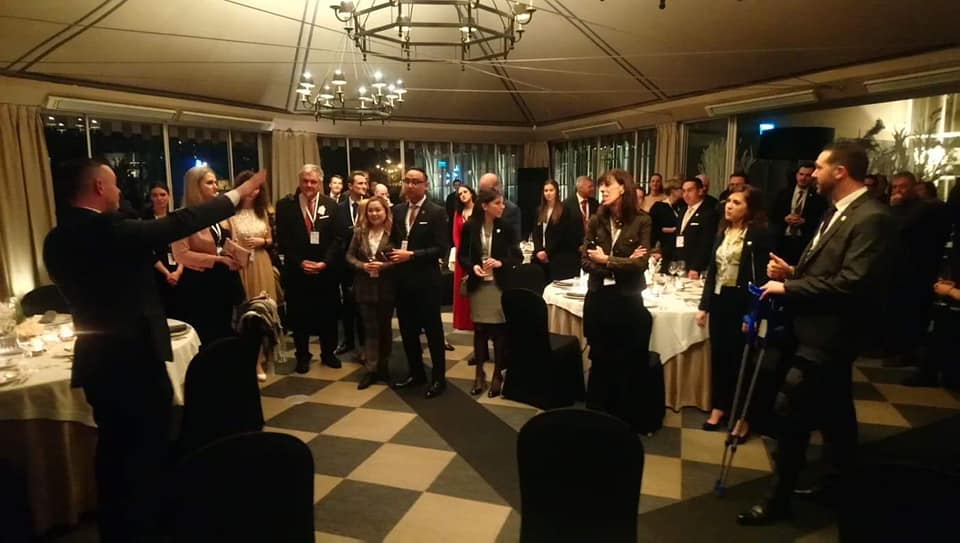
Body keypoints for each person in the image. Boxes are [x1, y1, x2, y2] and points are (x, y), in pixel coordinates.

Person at [44, 158, 266, 542]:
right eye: (114, 184)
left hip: (95, 359)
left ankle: (116, 526)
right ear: (98, 187)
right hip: (133, 360)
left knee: (113, 450)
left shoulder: (56, 239)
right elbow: (176, 224)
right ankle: (147, 527)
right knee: (146, 451)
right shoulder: (107, 229)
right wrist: (237, 194)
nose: (119, 191)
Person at [739, 142, 896, 526]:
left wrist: (789, 287)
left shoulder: (872, 217)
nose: (813, 174)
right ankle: (840, 483)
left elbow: (853, 282)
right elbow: (829, 270)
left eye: (821, 167)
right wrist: (793, 272)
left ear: (840, 172)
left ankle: (777, 500)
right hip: (811, 330)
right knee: (836, 414)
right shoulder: (835, 211)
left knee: (790, 413)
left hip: (831, 335)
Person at [696, 185, 771, 441]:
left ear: (750, 208)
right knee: (720, 356)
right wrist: (704, 306)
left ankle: (742, 416)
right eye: (728, 201)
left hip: (743, 302)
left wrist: (753, 313)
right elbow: (713, 271)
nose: (729, 206)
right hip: (720, 300)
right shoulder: (723, 231)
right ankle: (719, 406)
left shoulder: (758, 234)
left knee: (741, 360)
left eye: (737, 202)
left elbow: (760, 277)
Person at [581, 169, 653, 431]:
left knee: (625, 359)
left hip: (627, 301)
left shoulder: (642, 220)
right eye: (601, 186)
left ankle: (622, 419)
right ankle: (597, 416)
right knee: (599, 357)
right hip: (599, 296)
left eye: (607, 185)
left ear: (623, 188)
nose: (602, 190)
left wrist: (607, 260)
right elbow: (585, 258)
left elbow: (641, 264)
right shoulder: (596, 219)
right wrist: (617, 266)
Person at [390, 167, 451, 398]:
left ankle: (439, 378)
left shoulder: (437, 212)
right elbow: (392, 241)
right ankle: (416, 373)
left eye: (416, 181)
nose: (411, 185)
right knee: (407, 331)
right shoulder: (397, 210)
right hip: (402, 281)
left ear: (426, 185)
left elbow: (441, 248)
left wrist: (412, 255)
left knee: (433, 331)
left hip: (427, 281)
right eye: (407, 181)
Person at [275, 164, 342, 373]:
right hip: (298, 271)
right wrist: (300, 262)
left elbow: (338, 239)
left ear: (320, 182)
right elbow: (283, 240)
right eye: (305, 181)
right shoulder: (285, 206)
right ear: (299, 181)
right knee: (299, 316)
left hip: (325, 271)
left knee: (328, 315)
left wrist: (325, 263)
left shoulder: (331, 205)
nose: (309, 185)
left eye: (313, 181)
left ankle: (328, 353)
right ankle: (302, 356)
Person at [459, 187, 522, 397]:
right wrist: (473, 267)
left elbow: (517, 256)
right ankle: (479, 374)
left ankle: (497, 375)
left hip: (498, 285)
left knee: (499, 331)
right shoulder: (470, 226)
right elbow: (462, 256)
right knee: (479, 330)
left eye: (502, 202)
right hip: (479, 285)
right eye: (497, 203)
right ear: (485, 206)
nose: (502, 206)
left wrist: (500, 262)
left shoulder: (506, 227)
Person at [884, 171, 951, 367]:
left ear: (913, 187)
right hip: (897, 268)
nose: (898, 191)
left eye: (903, 187)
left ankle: (907, 352)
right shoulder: (905, 208)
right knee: (895, 311)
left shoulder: (924, 208)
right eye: (895, 187)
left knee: (910, 314)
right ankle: (892, 347)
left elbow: (899, 228)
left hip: (917, 270)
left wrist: (894, 208)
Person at [172, 166, 246, 344]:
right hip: (200, 283)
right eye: (210, 183)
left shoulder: (218, 213)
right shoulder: (183, 217)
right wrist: (218, 259)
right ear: (195, 187)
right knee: (207, 332)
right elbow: (181, 254)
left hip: (224, 279)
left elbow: (225, 242)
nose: (216, 187)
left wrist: (237, 253)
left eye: (216, 182)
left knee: (226, 331)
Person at [227, 170, 277, 381]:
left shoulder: (262, 212)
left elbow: (270, 239)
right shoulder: (230, 213)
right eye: (249, 187)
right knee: (243, 311)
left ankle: (260, 357)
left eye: (257, 188)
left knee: (261, 311)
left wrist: (261, 242)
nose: (252, 192)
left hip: (261, 262)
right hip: (241, 265)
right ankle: (245, 357)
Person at [345, 196, 398, 390]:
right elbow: (349, 256)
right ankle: (371, 369)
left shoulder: (394, 232)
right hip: (364, 287)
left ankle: (384, 367)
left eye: (378, 210)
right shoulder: (359, 233)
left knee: (385, 328)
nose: (374, 214)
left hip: (386, 287)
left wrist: (384, 266)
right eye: (370, 210)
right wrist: (363, 265)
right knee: (370, 329)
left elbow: (400, 259)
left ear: (385, 212)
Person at [335, 171, 369, 359]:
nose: (364, 186)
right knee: (347, 305)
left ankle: (364, 344)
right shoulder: (339, 208)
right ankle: (347, 340)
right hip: (344, 264)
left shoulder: (370, 206)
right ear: (350, 186)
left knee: (363, 306)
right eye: (360, 183)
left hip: (364, 263)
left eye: (365, 183)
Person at [770, 162, 827, 266]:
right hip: (783, 240)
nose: (803, 178)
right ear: (796, 175)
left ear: (813, 177)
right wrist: (785, 219)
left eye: (807, 175)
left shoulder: (818, 197)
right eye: (801, 174)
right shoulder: (783, 193)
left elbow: (821, 219)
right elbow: (772, 214)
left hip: (803, 242)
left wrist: (805, 221)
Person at [145, 184, 184, 320]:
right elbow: (147, 252)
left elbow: (184, 246)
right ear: (150, 198)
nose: (159, 198)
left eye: (163, 194)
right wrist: (167, 273)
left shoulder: (175, 219)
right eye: (155, 195)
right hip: (156, 273)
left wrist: (178, 271)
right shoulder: (146, 222)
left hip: (178, 270)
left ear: (168, 197)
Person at [533, 179, 580, 281]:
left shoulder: (564, 210)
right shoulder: (539, 210)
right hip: (540, 255)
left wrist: (547, 252)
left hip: (556, 255)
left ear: (557, 191)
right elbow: (535, 232)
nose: (548, 193)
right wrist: (539, 250)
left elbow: (561, 235)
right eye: (546, 190)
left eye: (551, 190)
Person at [676, 177, 719, 279]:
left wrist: (696, 267)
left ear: (700, 191)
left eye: (690, 190)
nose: (686, 194)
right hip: (681, 263)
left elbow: (706, 243)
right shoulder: (682, 211)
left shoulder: (708, 213)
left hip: (696, 266)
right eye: (684, 191)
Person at [452, 184, 477, 332]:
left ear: (471, 193)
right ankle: (463, 321)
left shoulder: (479, 210)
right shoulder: (458, 213)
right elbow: (455, 234)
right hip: (462, 254)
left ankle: (476, 320)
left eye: (465, 192)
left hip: (476, 252)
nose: (463, 195)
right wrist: (461, 250)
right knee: (462, 287)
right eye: (460, 194)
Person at [649, 178, 684, 269]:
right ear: (673, 191)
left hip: (678, 248)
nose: (683, 191)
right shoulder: (658, 207)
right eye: (681, 189)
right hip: (663, 247)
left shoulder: (682, 206)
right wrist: (668, 230)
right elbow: (652, 227)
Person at [478, 172, 521, 241]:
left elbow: (515, 240)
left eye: (486, 190)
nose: (482, 194)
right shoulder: (477, 207)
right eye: (481, 190)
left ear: (497, 188)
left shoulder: (511, 209)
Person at [563, 175, 600, 246]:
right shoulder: (567, 204)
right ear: (580, 188)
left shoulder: (595, 203)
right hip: (572, 246)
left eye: (593, 186)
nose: (593, 189)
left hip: (591, 245)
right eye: (590, 187)